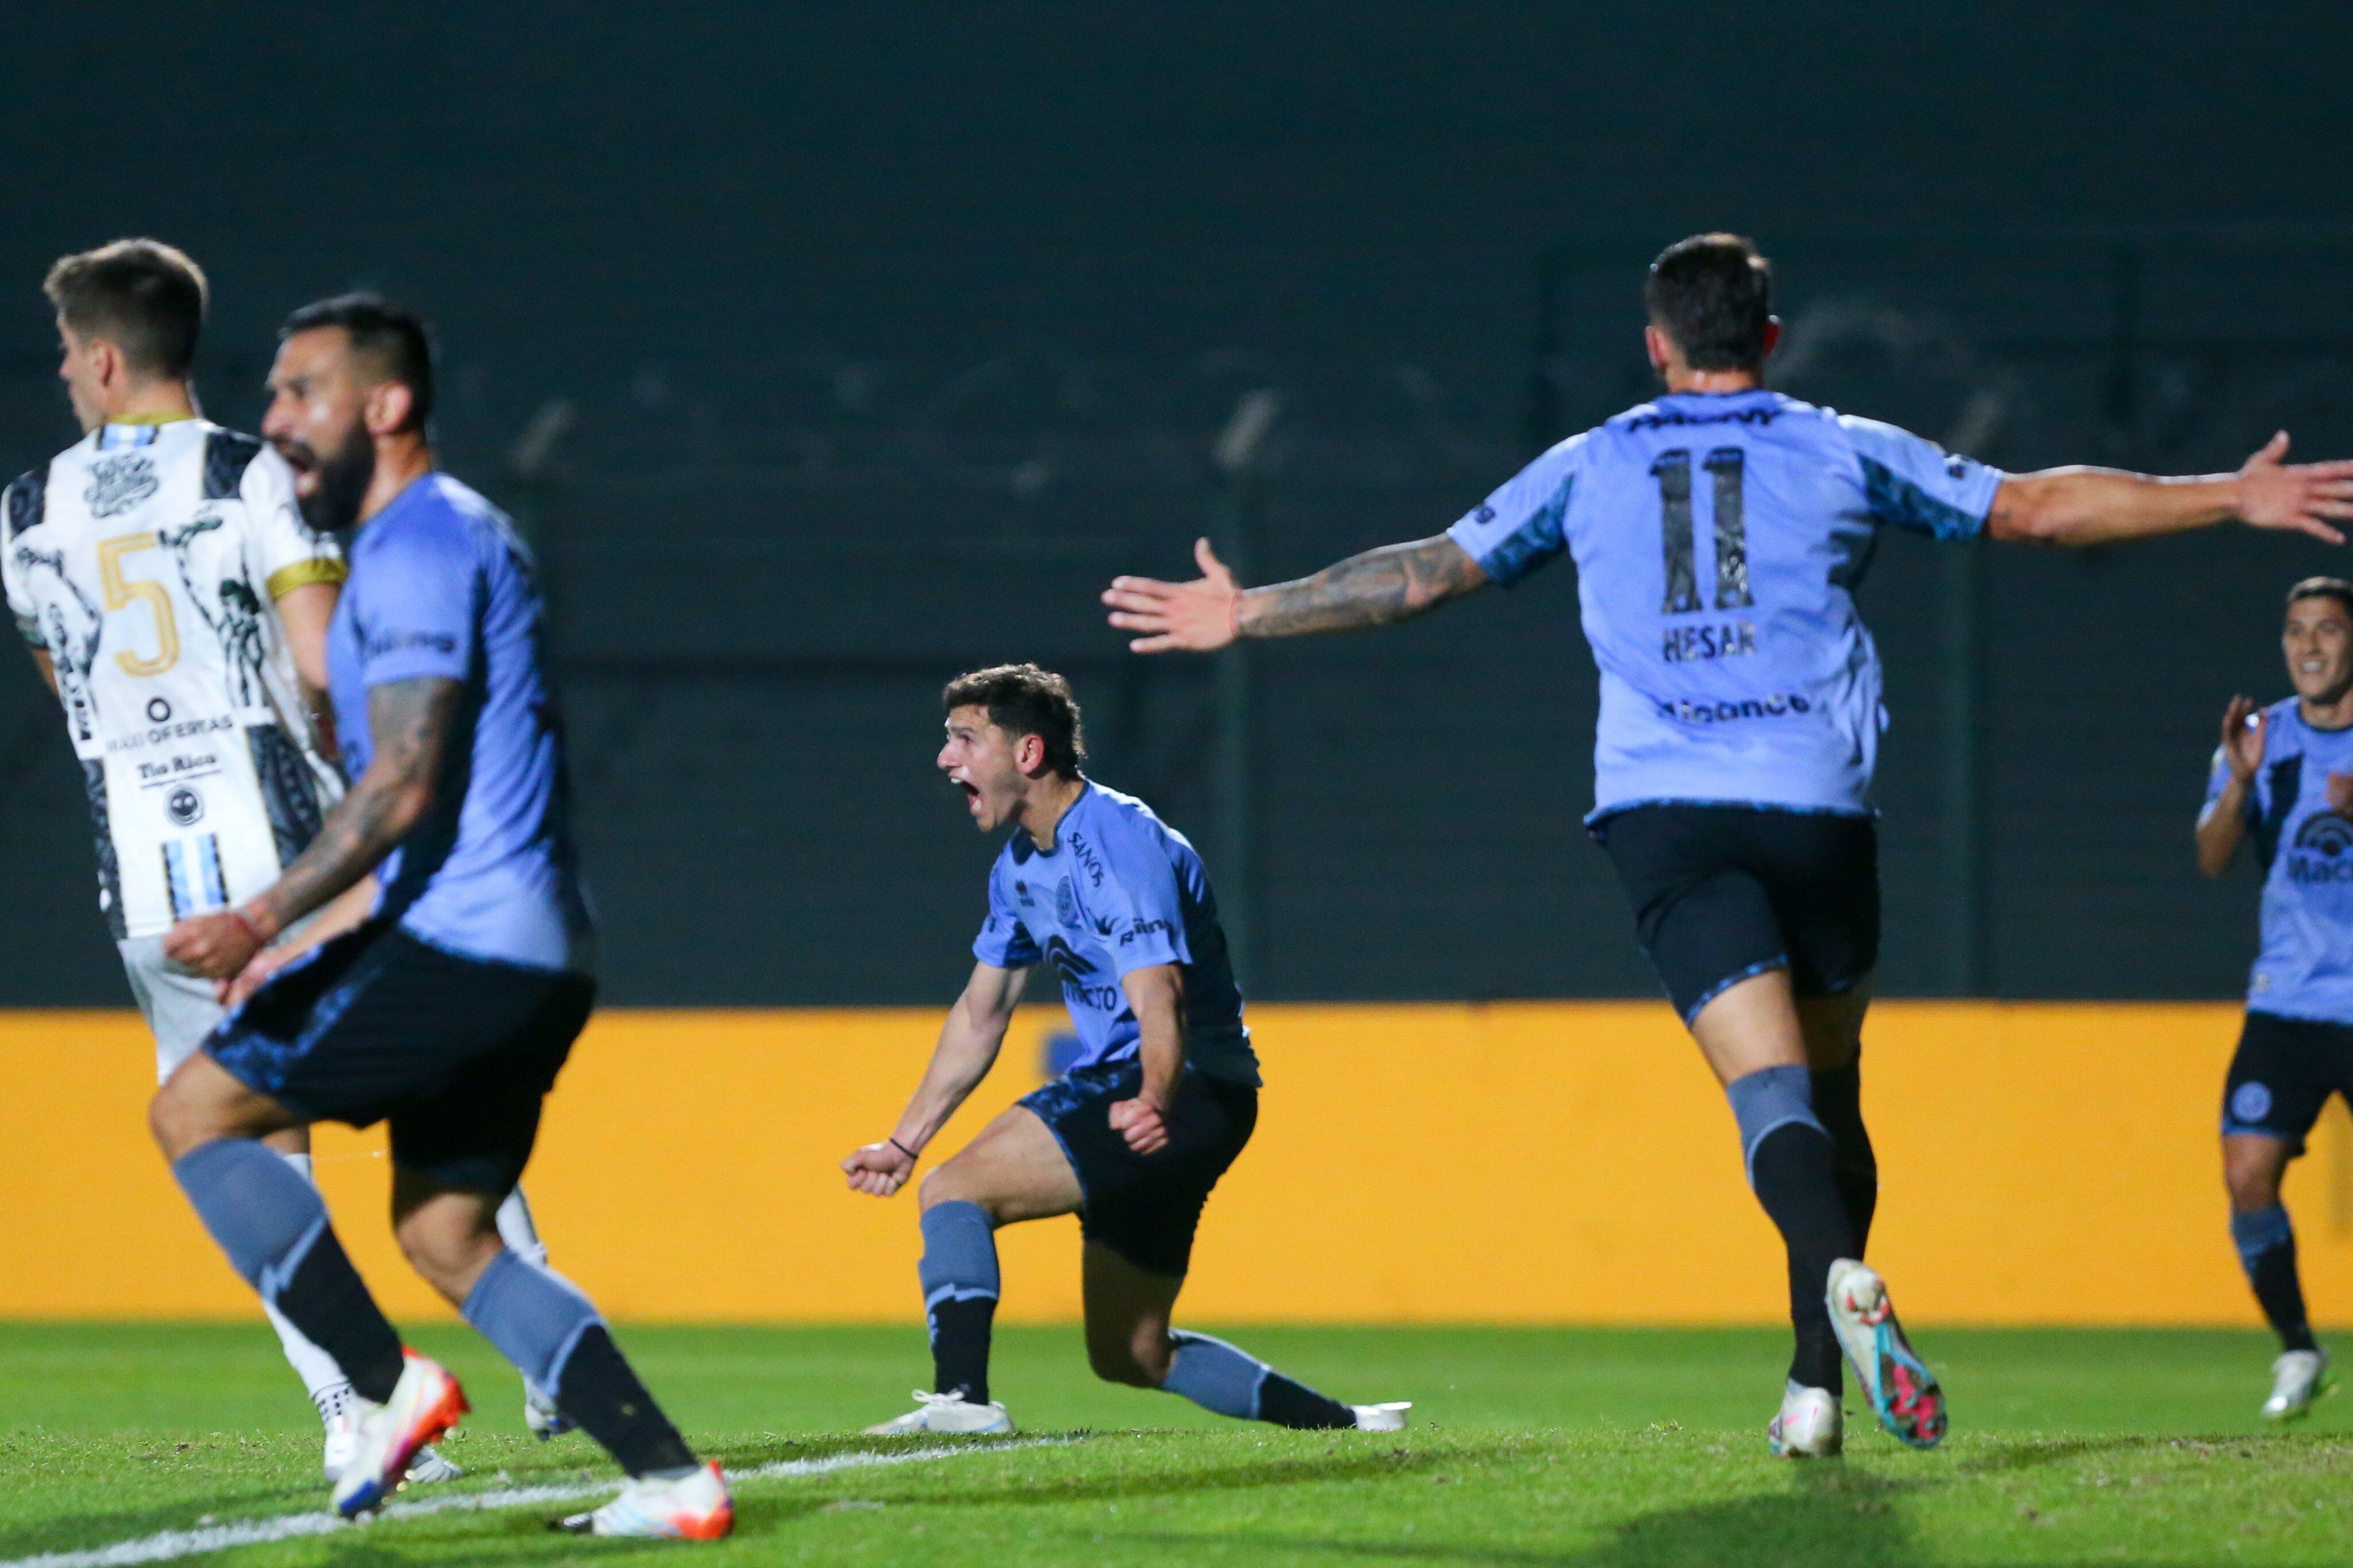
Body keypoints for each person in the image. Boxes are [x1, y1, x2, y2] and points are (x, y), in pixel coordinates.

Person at [1102, 233, 2353, 1456]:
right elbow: (2031, 511)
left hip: (1667, 820)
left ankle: (1832, 1324)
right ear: (1766, 335)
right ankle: (1813, 1380)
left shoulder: (1588, 463)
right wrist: (2227, 496)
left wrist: (1247, 610)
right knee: (1833, 1087)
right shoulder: (1840, 447)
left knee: (1768, 1104)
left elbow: (1426, 573)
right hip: (1815, 812)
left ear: (1654, 345)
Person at [145, 293, 730, 1539]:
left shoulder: (419, 544)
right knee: (450, 1233)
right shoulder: (441, 541)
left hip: (473, 946)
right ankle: (672, 1479)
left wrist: (260, 920)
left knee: (193, 1108)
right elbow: (437, 794)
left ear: (387, 404)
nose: (275, 421)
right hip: (524, 947)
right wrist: (318, 937)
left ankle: (383, 1386)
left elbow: (402, 782)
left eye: (302, 393)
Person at [3, 239, 475, 1482]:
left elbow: (72, 699)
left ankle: (354, 1409)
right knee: (432, 1065)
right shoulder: (254, 471)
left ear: (102, 359)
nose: (65, 375)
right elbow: (321, 664)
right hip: (286, 852)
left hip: (146, 884)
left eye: (65, 356)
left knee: (236, 1147)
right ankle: (527, 1341)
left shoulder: (21, 513)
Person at [843, 663, 1408, 1436]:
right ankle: (1352, 1425)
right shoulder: (1020, 868)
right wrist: (905, 1138)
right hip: (1188, 1097)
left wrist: (1153, 1093)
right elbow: (982, 1012)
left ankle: (962, 1403)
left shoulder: (1117, 837)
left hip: (1174, 1082)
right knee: (1133, 1351)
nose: (948, 759)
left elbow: (1160, 991)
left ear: (1029, 753)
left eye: (966, 739)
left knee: (955, 1191)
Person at [2196, 576, 2353, 1420]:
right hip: (2288, 1002)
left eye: (2328, 629)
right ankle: (2298, 1347)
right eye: (2297, 631)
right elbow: (2213, 857)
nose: (2311, 646)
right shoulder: (2260, 740)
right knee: (2247, 1170)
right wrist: (2236, 784)